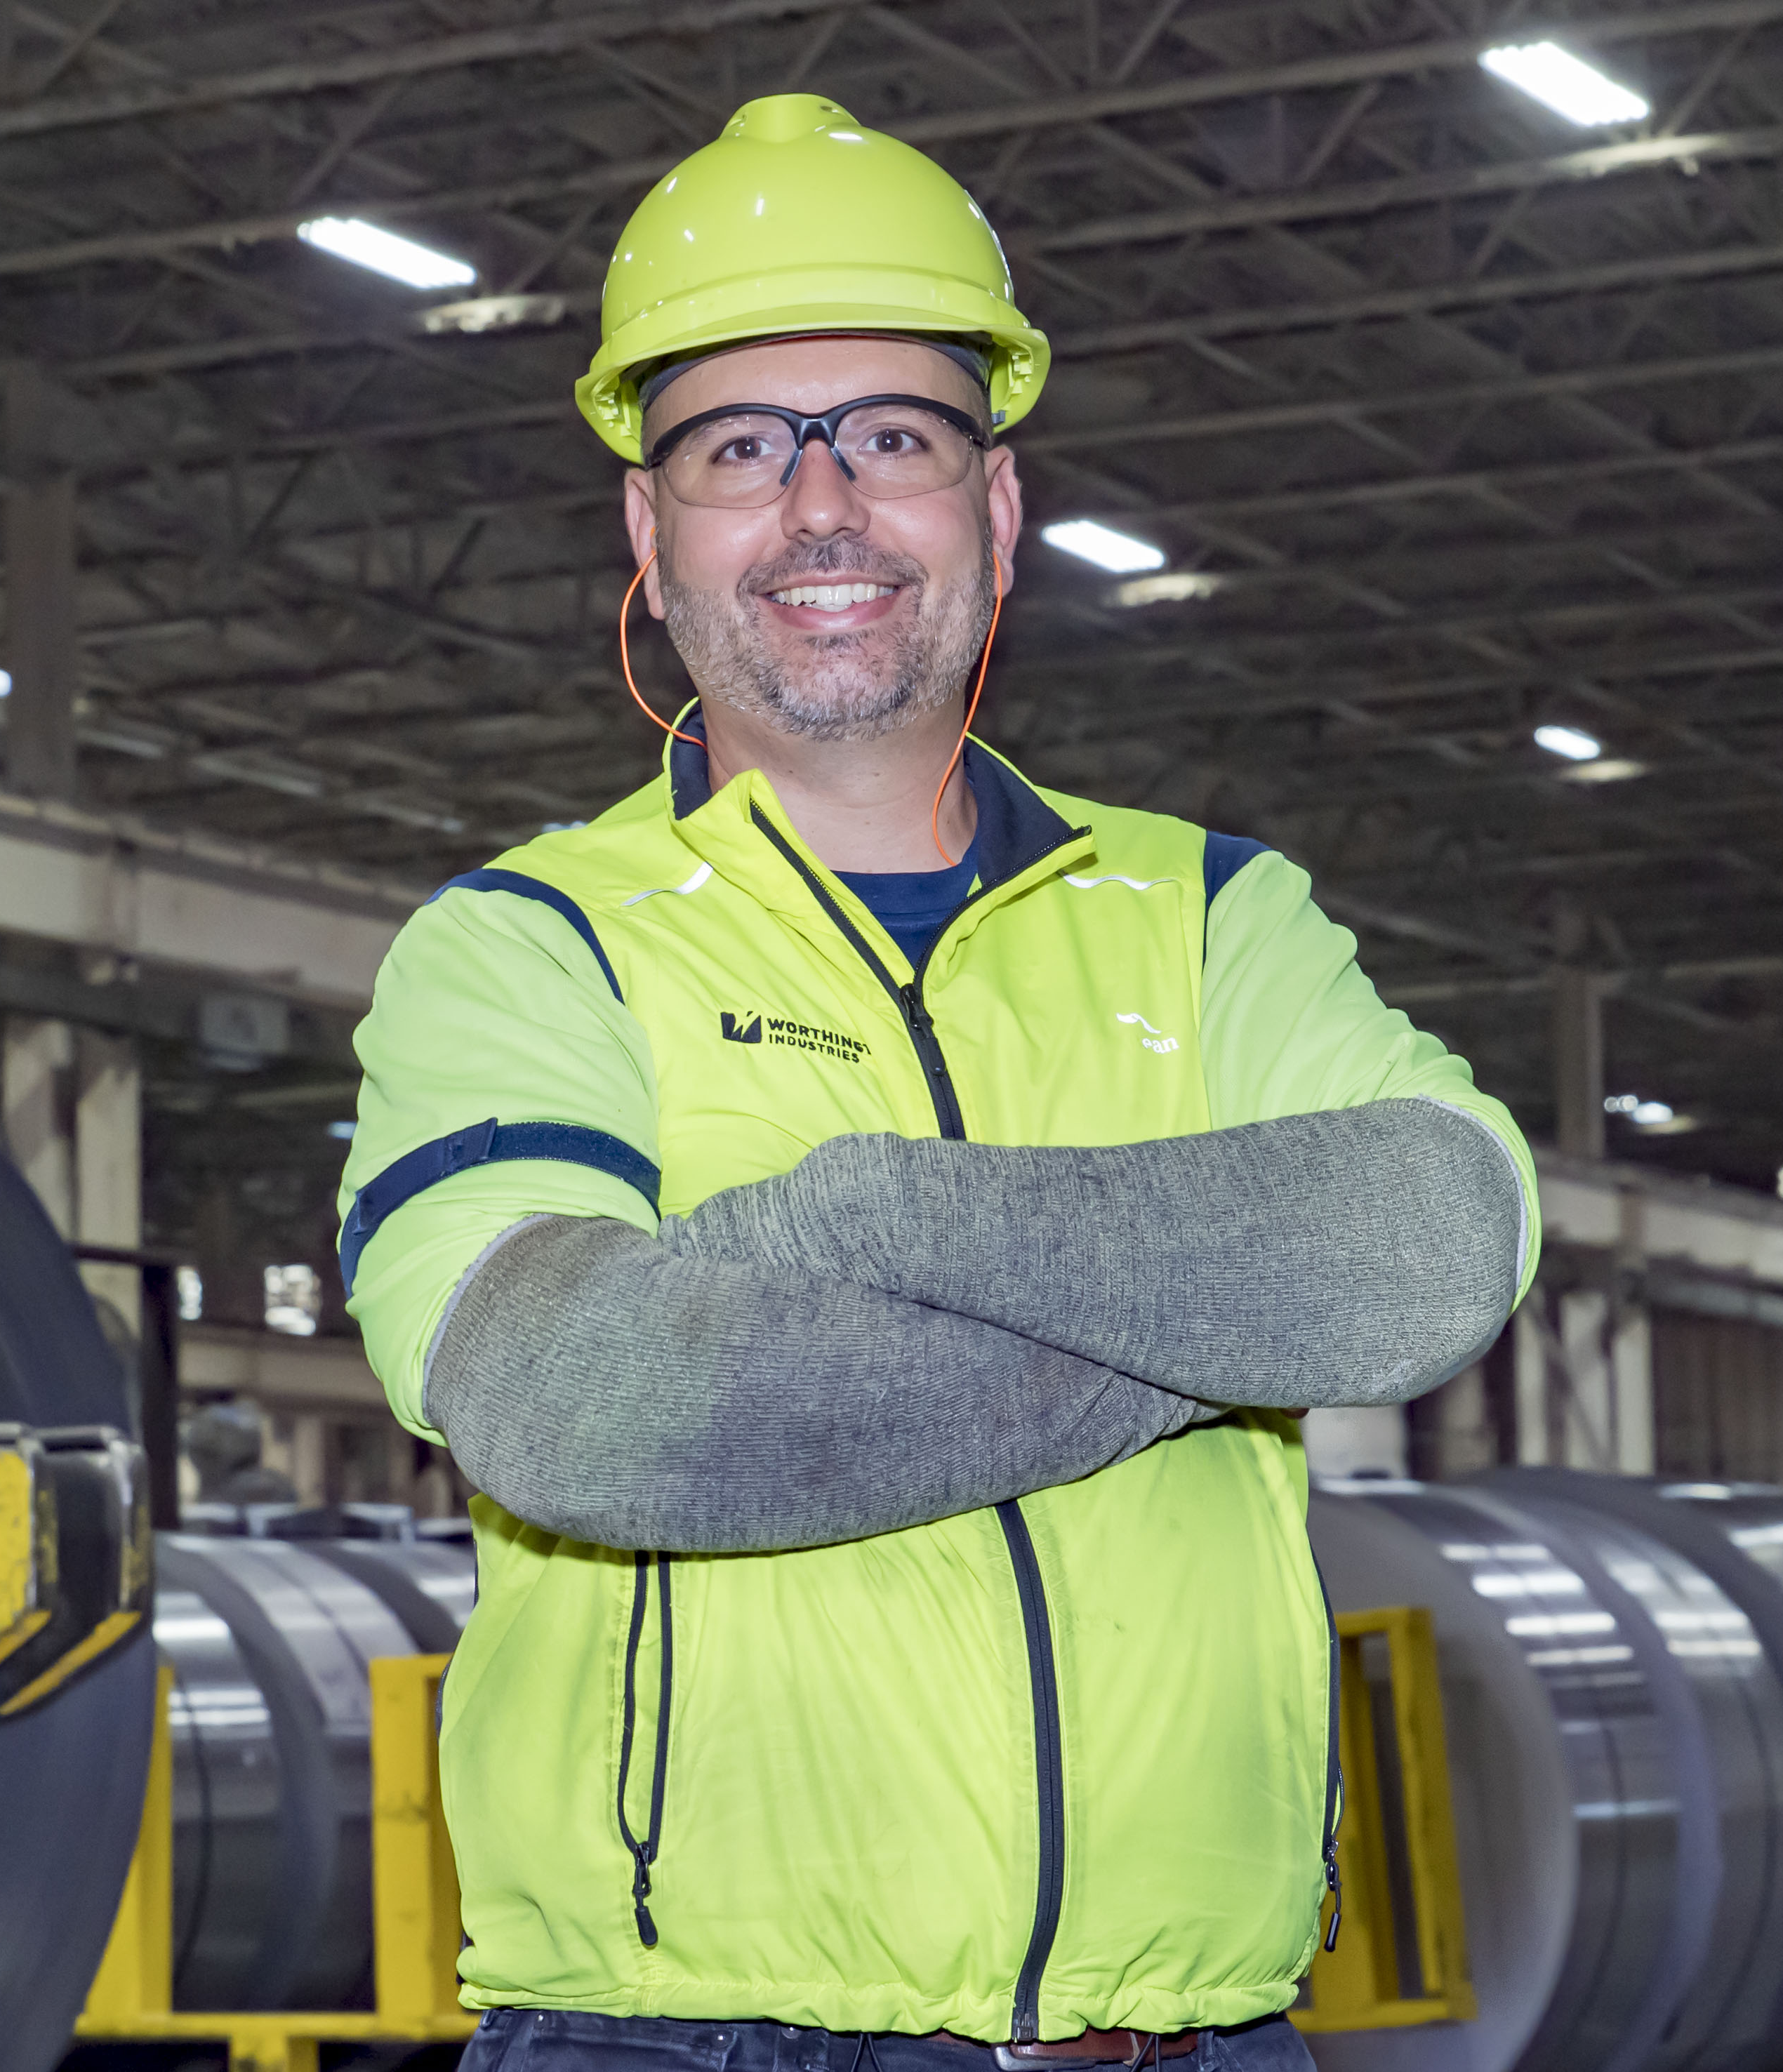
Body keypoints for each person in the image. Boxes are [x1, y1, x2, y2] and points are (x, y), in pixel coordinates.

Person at [336, 93, 1535, 2072]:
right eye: (737, 449)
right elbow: (584, 1406)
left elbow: (1428, 1246)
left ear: (995, 504)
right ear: (652, 531)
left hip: (1198, 2040)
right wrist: (1216, 1314)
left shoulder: (1211, 914)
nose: (821, 511)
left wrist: (862, 1225)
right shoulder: (525, 944)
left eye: (891, 437)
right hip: (687, 2040)